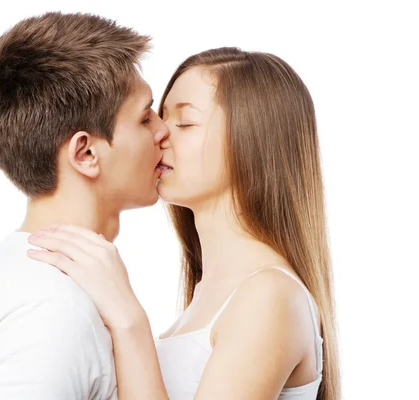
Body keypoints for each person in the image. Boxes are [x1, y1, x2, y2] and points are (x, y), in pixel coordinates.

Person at [27, 47, 341, 399]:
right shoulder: (212, 294)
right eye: (157, 118)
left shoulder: (269, 296)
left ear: (252, 140)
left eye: (185, 122)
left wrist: (128, 320)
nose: (160, 133)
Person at [0, 12, 168, 399]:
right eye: (145, 118)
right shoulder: (50, 308)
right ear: (86, 153)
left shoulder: (14, 278)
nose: (163, 130)